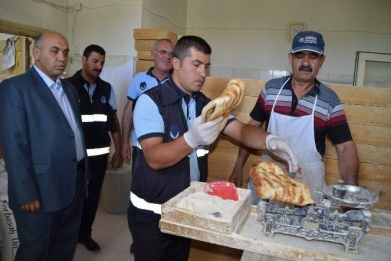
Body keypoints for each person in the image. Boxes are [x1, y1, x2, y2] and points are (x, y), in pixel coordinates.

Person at [127, 35, 298, 261]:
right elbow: (154, 158)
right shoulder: (150, 102)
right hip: (153, 215)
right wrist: (191, 139)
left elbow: (241, 131)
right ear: (176, 64)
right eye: (196, 65)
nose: (203, 73)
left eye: (206, 66)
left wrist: (272, 141)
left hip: (186, 208)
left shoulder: (203, 105)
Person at [229, 31, 359, 203]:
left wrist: (352, 193)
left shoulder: (329, 100)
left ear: (322, 61)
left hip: (309, 184)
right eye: (299, 55)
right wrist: (238, 167)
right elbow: (250, 128)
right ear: (290, 58)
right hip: (269, 181)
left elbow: (345, 148)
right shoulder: (271, 90)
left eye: (313, 56)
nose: (305, 62)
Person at [0, 31, 88, 260]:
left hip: (73, 183)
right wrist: (26, 192)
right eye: (54, 51)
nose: (62, 58)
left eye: (65, 52)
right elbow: (13, 145)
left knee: (64, 247)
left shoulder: (68, 89)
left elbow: (71, 133)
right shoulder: (15, 88)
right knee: (36, 251)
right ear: (36, 53)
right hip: (40, 190)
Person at [67, 44, 122, 251]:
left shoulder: (106, 89)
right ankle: (69, 237)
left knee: (93, 198)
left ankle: (85, 235)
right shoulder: (67, 86)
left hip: (99, 157)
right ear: (83, 59)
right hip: (75, 159)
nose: (99, 66)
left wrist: (118, 149)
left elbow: (113, 121)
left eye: (102, 63)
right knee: (73, 199)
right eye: (95, 61)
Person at [121, 38, 174, 164]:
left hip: (170, 148)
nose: (167, 56)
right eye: (163, 52)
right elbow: (128, 114)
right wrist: (125, 143)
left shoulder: (177, 83)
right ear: (153, 54)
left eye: (171, 53)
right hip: (141, 148)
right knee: (142, 183)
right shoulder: (138, 80)